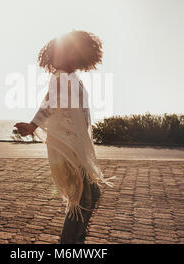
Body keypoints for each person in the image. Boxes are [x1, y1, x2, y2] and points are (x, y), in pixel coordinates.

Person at [15, 30, 113, 244]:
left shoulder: (70, 77)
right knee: (82, 198)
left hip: (76, 145)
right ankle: (69, 242)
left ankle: (76, 237)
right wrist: (32, 125)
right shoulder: (60, 76)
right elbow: (49, 103)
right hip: (67, 146)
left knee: (92, 194)